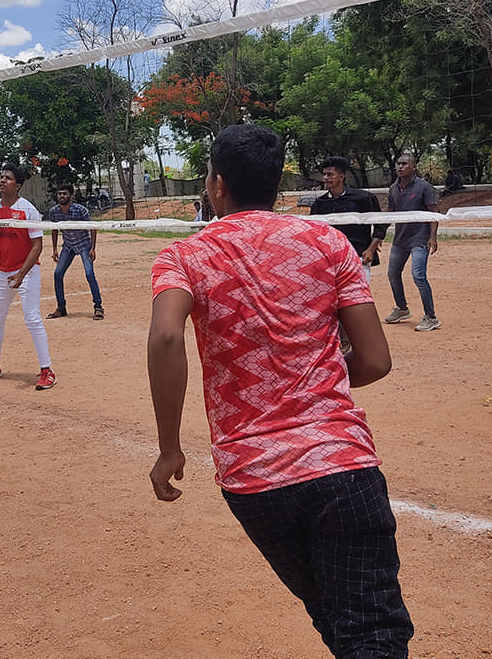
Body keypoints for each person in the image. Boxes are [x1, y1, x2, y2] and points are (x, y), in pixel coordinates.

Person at [147, 124, 413, 658]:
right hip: (342, 464)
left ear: (216, 185)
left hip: (254, 480)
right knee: (370, 630)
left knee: (336, 622)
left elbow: (167, 334)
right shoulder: (329, 242)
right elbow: (377, 361)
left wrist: (170, 446)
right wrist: (315, 378)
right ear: (278, 186)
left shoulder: (183, 256)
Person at [0, 164, 56, 391]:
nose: (2, 181)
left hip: (27, 271)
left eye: (7, 178)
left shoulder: (28, 210)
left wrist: (21, 274)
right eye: (1, 177)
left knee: (32, 318)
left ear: (17, 185)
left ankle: (47, 370)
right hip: (4, 272)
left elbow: (37, 246)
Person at [385, 153, 440, 332]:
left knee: (418, 276)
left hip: (420, 238)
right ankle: (402, 308)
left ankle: (431, 317)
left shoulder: (424, 187)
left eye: (404, 164)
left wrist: (433, 237)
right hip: (400, 239)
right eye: (398, 164)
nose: (400, 167)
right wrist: (376, 237)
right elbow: (390, 214)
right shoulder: (393, 188)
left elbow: (433, 213)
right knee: (392, 273)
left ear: (413, 166)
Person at [310, 157, 387, 282]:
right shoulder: (320, 203)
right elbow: (314, 231)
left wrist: (371, 249)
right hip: (331, 259)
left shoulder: (363, 198)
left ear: (341, 177)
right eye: (324, 174)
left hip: (358, 256)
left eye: (330, 174)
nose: (326, 178)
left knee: (359, 296)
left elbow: (381, 224)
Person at [47, 183, 103, 321]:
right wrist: (54, 248)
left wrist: (93, 248)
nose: (61, 196)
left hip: (84, 244)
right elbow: (54, 229)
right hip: (68, 245)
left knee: (89, 274)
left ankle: (98, 307)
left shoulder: (80, 210)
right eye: (59, 194)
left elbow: (92, 227)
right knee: (57, 274)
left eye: (64, 194)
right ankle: (61, 308)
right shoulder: (54, 212)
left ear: (70, 196)